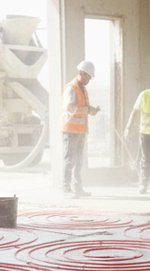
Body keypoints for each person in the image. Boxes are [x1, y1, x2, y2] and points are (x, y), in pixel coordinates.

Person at [62, 60, 100, 198]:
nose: (89, 80)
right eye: (88, 77)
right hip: (71, 130)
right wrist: (87, 109)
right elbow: (70, 107)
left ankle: (78, 188)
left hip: (80, 131)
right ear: (82, 74)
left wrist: (91, 110)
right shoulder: (71, 88)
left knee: (78, 161)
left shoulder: (83, 89)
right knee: (69, 160)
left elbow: (82, 109)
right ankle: (66, 189)